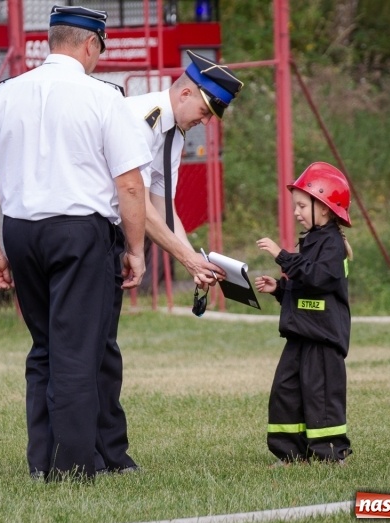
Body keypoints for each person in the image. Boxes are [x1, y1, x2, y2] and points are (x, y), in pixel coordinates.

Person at [0, 5, 151, 482]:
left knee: (44, 347)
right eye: (100, 50)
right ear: (90, 44)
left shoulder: (7, 94)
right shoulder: (103, 97)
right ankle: (72, 467)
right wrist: (136, 249)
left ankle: (42, 460)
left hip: (22, 231)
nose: (99, 59)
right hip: (79, 232)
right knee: (78, 351)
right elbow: (129, 186)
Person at [94, 52, 244, 474]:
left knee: (105, 351)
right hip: (90, 233)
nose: (207, 121)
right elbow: (137, 203)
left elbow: (165, 209)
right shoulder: (142, 117)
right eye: (205, 109)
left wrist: (196, 260)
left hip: (111, 238)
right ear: (183, 92)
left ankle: (110, 454)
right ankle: (88, 454)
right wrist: (185, 258)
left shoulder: (173, 132)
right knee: (91, 351)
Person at [253, 161, 354, 466]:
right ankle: (292, 454)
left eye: (301, 205)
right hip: (301, 334)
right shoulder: (311, 241)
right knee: (286, 391)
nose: (296, 212)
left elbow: (316, 278)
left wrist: (280, 255)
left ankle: (330, 454)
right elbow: (304, 289)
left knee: (321, 396)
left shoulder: (333, 245)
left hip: (323, 338)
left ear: (324, 208)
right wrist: (280, 291)